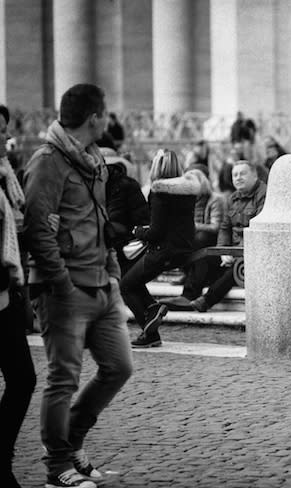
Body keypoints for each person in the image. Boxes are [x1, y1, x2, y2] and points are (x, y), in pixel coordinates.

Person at [23, 84, 133, 488]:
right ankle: (57, 467)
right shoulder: (46, 162)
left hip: (102, 286)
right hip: (64, 291)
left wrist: (114, 276)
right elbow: (38, 229)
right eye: (105, 114)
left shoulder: (95, 159)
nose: (108, 120)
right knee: (63, 380)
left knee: (119, 367)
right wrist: (63, 284)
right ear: (94, 118)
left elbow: (101, 223)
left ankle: (73, 441)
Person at [120, 149, 202, 348]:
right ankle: (151, 315)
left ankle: (150, 326)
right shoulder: (188, 190)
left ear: (156, 166)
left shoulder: (159, 191)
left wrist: (138, 231)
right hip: (183, 248)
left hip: (163, 250)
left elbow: (156, 232)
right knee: (134, 281)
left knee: (126, 285)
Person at [0, 104, 36, 488]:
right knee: (21, 378)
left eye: (4, 130)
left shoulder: (7, 177)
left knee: (23, 379)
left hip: (7, 292)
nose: (4, 139)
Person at [189, 159, 266, 313]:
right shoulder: (233, 198)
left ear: (255, 176)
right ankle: (189, 294)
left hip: (254, 253)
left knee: (236, 269)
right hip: (234, 252)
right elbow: (225, 227)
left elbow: (257, 230)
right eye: (235, 175)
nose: (238, 178)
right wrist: (224, 251)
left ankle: (206, 300)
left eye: (242, 174)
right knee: (203, 257)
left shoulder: (264, 196)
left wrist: (235, 253)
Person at [159, 167, 227, 310]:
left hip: (213, 245)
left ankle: (189, 295)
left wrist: (193, 226)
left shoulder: (216, 199)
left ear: (202, 183)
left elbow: (216, 227)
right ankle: (188, 285)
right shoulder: (187, 201)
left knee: (200, 240)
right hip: (197, 246)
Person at [104, 150, 150, 273]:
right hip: (121, 241)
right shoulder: (128, 184)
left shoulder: (122, 186)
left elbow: (141, 219)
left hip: (122, 243)